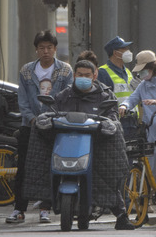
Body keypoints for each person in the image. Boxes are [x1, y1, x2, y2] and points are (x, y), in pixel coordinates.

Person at [37, 60, 134, 230]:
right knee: (41, 164)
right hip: (66, 144)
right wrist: (44, 119)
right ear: (74, 76)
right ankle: (44, 199)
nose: (83, 78)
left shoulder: (105, 96)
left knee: (106, 175)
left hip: (97, 145)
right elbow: (50, 112)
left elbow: (112, 116)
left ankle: (121, 215)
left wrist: (110, 124)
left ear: (94, 76)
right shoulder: (64, 95)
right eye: (80, 75)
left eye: (87, 75)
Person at [7, 30, 72, 224]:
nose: (46, 51)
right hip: (30, 126)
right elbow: (23, 100)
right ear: (36, 50)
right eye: (42, 48)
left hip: (54, 126)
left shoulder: (65, 70)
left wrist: (53, 118)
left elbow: (67, 97)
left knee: (50, 166)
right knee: (24, 167)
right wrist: (32, 118)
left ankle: (45, 208)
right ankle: (19, 209)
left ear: (54, 49)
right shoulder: (27, 70)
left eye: (49, 47)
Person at [97, 36, 136, 104]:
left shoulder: (127, 71)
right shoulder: (102, 72)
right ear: (115, 53)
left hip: (132, 114)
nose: (128, 51)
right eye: (124, 48)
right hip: (115, 114)